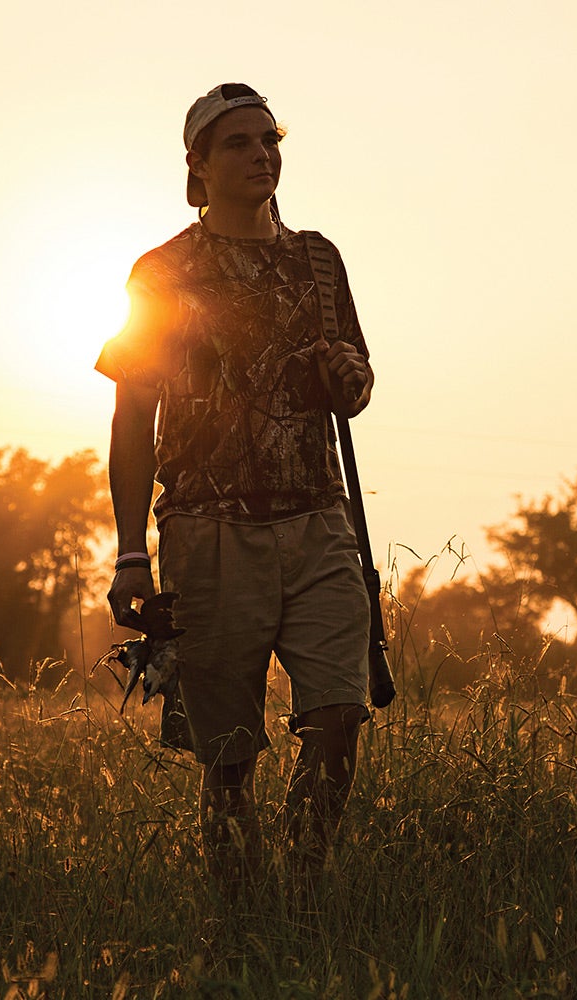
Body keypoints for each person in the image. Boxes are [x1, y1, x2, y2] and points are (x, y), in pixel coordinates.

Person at [94, 83, 375, 889]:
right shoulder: (164, 271)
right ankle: (243, 917)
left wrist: (345, 376)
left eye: (270, 140)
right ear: (199, 167)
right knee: (227, 758)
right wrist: (128, 556)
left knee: (338, 717)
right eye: (240, 144)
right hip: (207, 532)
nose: (262, 155)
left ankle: (304, 882)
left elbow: (354, 389)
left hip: (321, 523)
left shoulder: (318, 259)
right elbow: (131, 416)